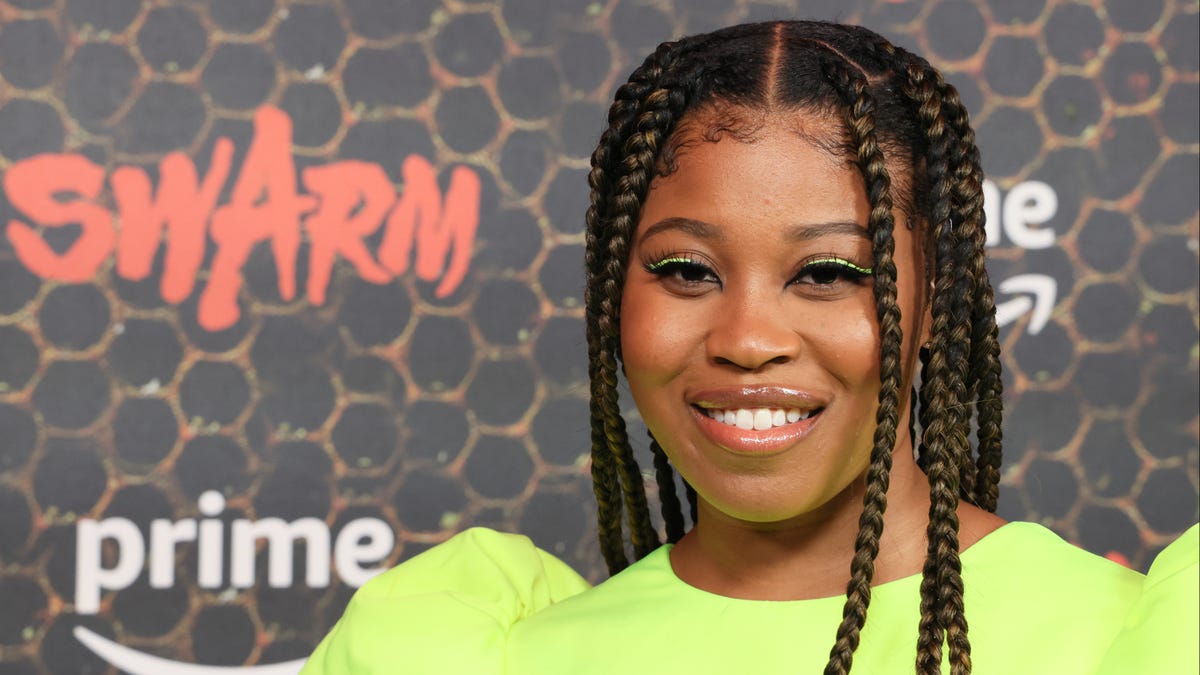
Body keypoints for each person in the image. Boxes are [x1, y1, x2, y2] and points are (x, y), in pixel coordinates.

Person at [301, 21, 1198, 675]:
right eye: (687, 271)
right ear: (614, 293)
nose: (748, 340)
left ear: (936, 299)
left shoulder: (1128, 642)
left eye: (830, 272)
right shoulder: (493, 657)